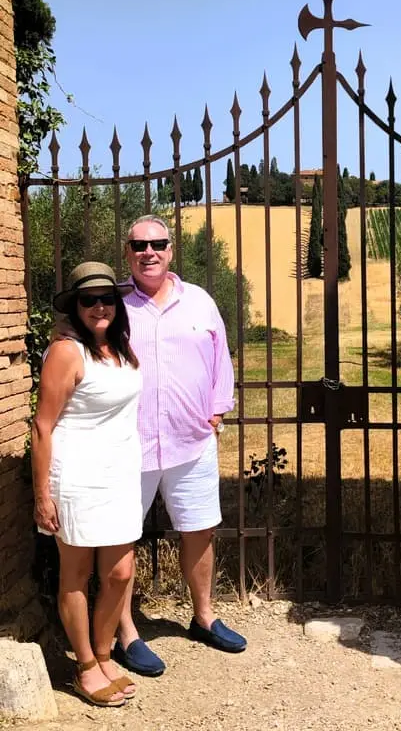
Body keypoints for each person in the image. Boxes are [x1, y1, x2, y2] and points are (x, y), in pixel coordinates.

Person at [112, 215, 246, 678]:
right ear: (127, 252)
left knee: (199, 528)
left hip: (191, 441)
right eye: (139, 245)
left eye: (158, 243)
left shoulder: (201, 302)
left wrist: (219, 407)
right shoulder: (114, 305)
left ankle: (204, 616)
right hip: (130, 442)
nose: (149, 252)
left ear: (171, 250)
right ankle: (125, 630)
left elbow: (220, 356)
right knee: (120, 536)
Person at [32, 262, 142, 708]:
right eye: (89, 299)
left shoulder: (120, 348)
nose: (100, 306)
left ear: (118, 304)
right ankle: (85, 665)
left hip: (118, 476)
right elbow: (42, 427)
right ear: (75, 308)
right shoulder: (66, 351)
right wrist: (42, 495)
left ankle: (103, 652)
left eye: (108, 298)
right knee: (76, 575)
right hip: (76, 477)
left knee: (120, 572)